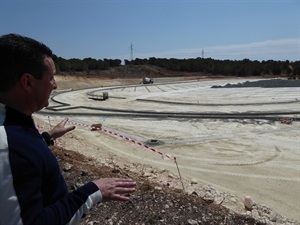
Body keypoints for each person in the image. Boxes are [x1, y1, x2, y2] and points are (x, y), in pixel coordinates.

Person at [0, 33, 136, 225]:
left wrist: (46, 138)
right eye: (51, 78)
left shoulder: (14, 122)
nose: (55, 85)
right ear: (28, 82)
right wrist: (93, 191)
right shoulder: (8, 146)